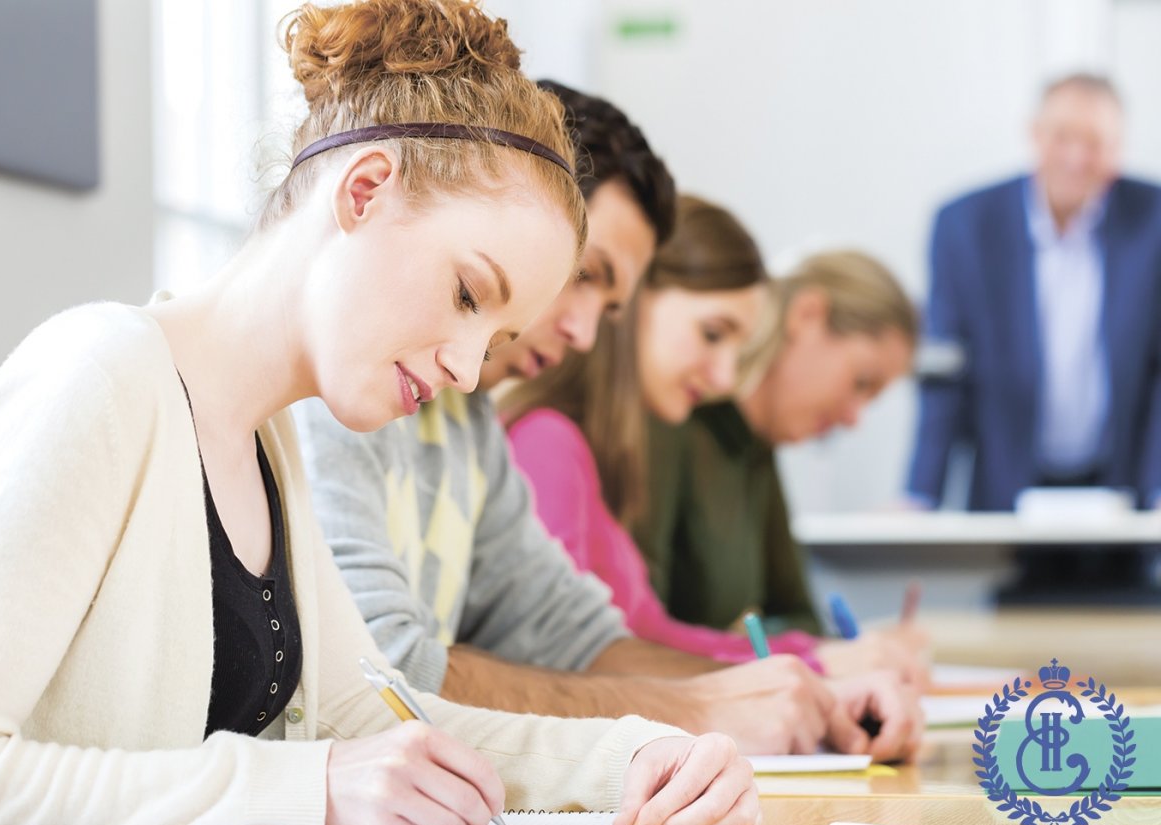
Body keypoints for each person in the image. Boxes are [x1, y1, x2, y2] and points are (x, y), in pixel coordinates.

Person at [0, 3, 761, 825]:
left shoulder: (270, 445)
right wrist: (302, 785)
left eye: (494, 339)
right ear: (365, 190)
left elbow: (368, 719)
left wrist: (640, 755)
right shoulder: (99, 378)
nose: (464, 368)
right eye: (465, 294)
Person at [297, 85, 914, 760]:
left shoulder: (464, 415)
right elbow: (383, 681)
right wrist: (696, 707)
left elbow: (574, 637)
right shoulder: (342, 387)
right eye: (583, 274)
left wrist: (796, 696)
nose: (587, 331)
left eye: (610, 303)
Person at [499, 200, 927, 696]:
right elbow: (566, 659)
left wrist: (807, 663)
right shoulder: (551, 440)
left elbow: (643, 635)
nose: (725, 376)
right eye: (711, 334)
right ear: (636, 300)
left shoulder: (582, 447)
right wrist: (807, 666)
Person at [905, 72, 1161, 601]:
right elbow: (947, 369)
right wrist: (919, 493)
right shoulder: (965, 224)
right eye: (1062, 136)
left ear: (1118, 150)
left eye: (1095, 143)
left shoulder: (1153, 217)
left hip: (1126, 483)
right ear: (1034, 134)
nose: (1076, 157)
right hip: (1010, 482)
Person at [641, 249, 927, 684]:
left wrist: (847, 652)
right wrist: (814, 655)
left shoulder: (756, 448)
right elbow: (636, 638)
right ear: (807, 315)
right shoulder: (674, 422)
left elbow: (800, 618)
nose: (854, 418)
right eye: (861, 383)